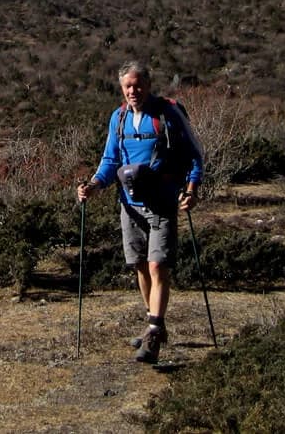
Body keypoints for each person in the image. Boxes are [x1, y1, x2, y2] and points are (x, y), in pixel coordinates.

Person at [76, 60, 204, 364]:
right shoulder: (118, 119)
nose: (133, 91)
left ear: (148, 84)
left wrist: (192, 188)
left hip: (162, 202)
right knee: (141, 267)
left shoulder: (168, 114)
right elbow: (110, 160)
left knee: (158, 265)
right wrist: (93, 185)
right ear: (122, 89)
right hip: (129, 205)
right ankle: (154, 324)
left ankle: (153, 334)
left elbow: (194, 154)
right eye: (128, 86)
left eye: (138, 85)